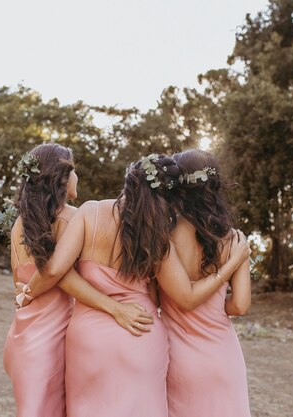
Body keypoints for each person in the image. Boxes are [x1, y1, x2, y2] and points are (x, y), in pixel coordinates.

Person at [17, 153, 250, 417]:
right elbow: (161, 296)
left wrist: (28, 292)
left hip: (89, 339)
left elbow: (56, 270)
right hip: (143, 331)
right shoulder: (158, 234)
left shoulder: (90, 211)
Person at [3, 144, 153, 417]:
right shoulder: (73, 217)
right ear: (61, 178)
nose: (77, 178)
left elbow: (28, 279)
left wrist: (26, 293)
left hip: (23, 338)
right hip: (53, 342)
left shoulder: (21, 223)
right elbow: (59, 276)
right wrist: (116, 307)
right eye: (73, 171)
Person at [161, 149, 252, 417]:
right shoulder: (235, 240)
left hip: (178, 360)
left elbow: (159, 296)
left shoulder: (164, 235)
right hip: (223, 356)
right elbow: (240, 305)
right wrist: (216, 296)